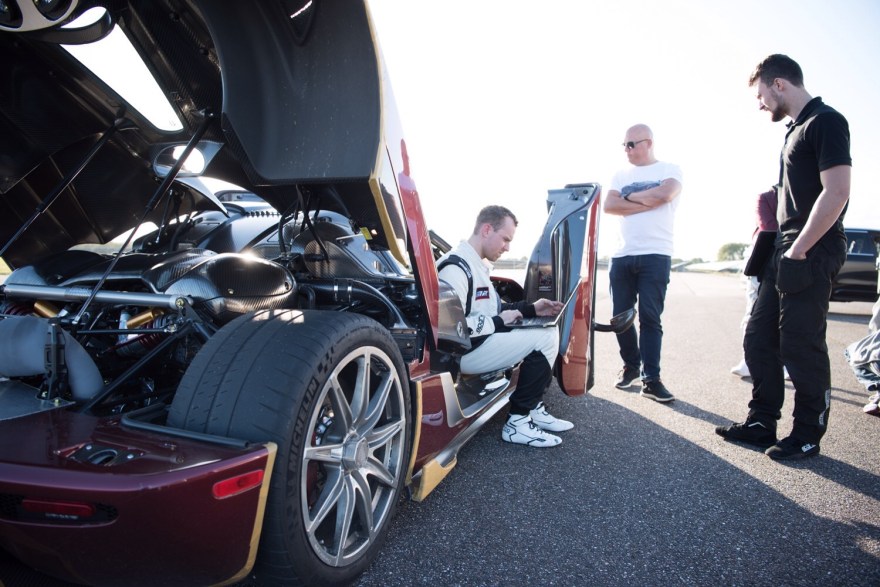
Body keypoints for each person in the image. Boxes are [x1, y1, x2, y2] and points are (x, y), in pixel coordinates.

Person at [716, 54, 851, 460]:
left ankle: (807, 434)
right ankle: (761, 423)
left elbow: (837, 192)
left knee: (800, 345)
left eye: (760, 95)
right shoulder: (795, 130)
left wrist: (799, 249)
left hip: (810, 250)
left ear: (778, 84)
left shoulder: (826, 121)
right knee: (758, 338)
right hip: (784, 251)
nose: (759, 104)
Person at [437, 205, 573, 447]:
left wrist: (533, 309)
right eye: (506, 239)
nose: (507, 247)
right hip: (460, 355)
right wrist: (499, 322)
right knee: (544, 338)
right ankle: (517, 423)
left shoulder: (475, 264)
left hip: (478, 344)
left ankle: (532, 407)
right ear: (487, 230)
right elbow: (449, 328)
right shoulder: (455, 268)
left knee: (547, 328)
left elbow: (495, 308)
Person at [604, 124, 683, 402]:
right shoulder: (620, 175)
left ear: (648, 143)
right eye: (624, 145)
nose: (626, 149)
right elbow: (610, 206)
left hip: (656, 254)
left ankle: (651, 379)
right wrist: (644, 200)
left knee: (650, 317)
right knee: (621, 317)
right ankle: (631, 366)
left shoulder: (670, 169)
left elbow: (664, 195)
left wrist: (627, 198)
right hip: (622, 255)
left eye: (631, 144)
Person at [730, 186, 790, 380]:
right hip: (764, 260)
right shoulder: (767, 197)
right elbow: (768, 227)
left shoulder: (803, 193)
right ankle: (749, 360)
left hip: (793, 259)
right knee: (754, 310)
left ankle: (786, 362)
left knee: (789, 314)